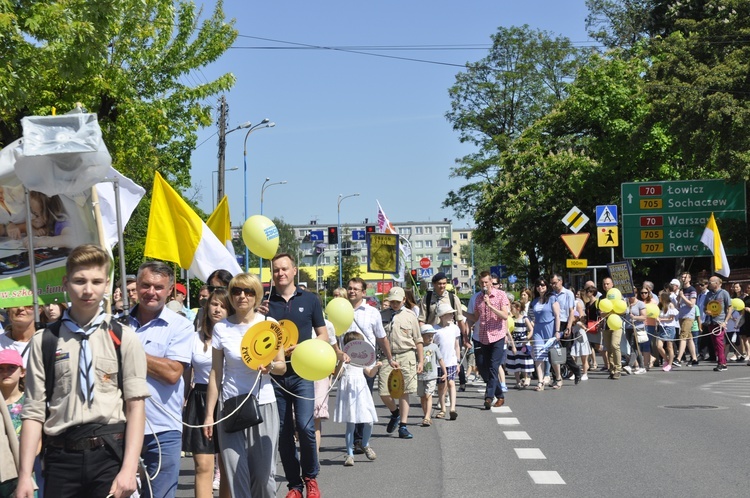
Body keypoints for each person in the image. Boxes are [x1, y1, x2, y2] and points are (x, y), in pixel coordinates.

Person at [17, 244, 149, 498]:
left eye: (96, 281)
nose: (88, 290)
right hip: (61, 456)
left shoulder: (123, 337)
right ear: (66, 283)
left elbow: (135, 406)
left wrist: (129, 468)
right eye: (79, 281)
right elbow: (33, 412)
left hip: (110, 452)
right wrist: (25, 475)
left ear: (107, 285)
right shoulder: (45, 340)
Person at [204, 273, 285, 498]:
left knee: (263, 478)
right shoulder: (221, 329)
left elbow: (282, 366)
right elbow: (215, 373)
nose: (242, 296)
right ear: (230, 295)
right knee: (236, 475)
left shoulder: (269, 325)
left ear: (257, 296)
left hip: (263, 404)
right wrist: (209, 415)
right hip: (230, 406)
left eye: (248, 292)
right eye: (237, 291)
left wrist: (270, 366)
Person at [262, 254, 332, 498]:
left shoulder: (310, 299)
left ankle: (310, 477)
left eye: (284, 269)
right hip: (275, 375)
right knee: (282, 431)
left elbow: (323, 336)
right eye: (276, 270)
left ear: (294, 271)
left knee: (305, 427)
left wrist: (302, 347)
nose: (280, 273)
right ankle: (294, 486)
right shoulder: (265, 302)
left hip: (302, 373)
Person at [127, 261, 194, 498]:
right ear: (136, 286)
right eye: (146, 285)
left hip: (163, 430)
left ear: (169, 290)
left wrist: (127, 350)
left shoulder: (181, 326)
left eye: (158, 287)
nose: (151, 292)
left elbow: (172, 373)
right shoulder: (118, 324)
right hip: (120, 427)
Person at [183, 288, 230, 498]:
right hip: (199, 400)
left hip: (229, 400)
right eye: (214, 304)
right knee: (203, 465)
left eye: (222, 305)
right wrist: (182, 402)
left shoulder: (234, 336)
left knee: (228, 466)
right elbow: (186, 374)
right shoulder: (193, 338)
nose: (217, 309)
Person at [344, 277, 397, 455]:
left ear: (363, 292)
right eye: (350, 288)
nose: (352, 291)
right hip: (348, 365)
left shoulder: (372, 312)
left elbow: (381, 337)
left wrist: (389, 358)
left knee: (363, 398)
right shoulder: (340, 310)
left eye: (356, 289)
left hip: (367, 363)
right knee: (351, 400)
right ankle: (355, 438)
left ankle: (359, 439)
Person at [378, 286, 423, 439]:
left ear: (404, 300)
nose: (394, 304)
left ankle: (403, 426)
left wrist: (420, 361)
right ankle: (395, 412)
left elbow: (418, 340)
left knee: (404, 392)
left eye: (398, 301)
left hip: (406, 355)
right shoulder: (382, 315)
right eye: (392, 301)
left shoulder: (410, 316)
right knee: (383, 391)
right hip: (387, 357)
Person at [333, 332, 380, 467]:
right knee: (351, 424)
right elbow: (337, 374)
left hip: (361, 392)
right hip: (349, 394)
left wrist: (376, 367)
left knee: (369, 421)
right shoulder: (345, 361)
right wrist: (341, 361)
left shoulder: (361, 361)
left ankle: (365, 444)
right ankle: (350, 454)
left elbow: (370, 373)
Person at [465, 271, 510, 408]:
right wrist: (460, 312)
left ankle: (488, 397)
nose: (484, 285)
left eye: (486, 282)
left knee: (493, 367)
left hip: (497, 335)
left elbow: (504, 315)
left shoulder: (501, 295)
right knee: (482, 367)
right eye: (481, 283)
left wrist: (490, 305)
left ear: (491, 282)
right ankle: (500, 395)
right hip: (483, 337)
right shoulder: (478, 298)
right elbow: (475, 318)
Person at [529, 277, 561, 391]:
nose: (540, 287)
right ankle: (540, 381)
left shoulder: (552, 298)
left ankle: (558, 377)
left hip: (550, 328)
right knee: (538, 355)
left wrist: (557, 331)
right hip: (538, 329)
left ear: (546, 286)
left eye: (543, 285)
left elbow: (557, 316)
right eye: (538, 285)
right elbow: (531, 316)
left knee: (553, 355)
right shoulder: (534, 301)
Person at [1, 349, 25, 497]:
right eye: (1, 368)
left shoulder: (29, 402)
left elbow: (38, 443)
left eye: (11, 367)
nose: (6, 372)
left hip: (23, 470)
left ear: (22, 372)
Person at [550, 273, 582, 384]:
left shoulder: (568, 293)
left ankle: (576, 370)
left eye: (555, 282)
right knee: (553, 351)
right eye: (552, 283)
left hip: (565, 323)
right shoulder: (552, 295)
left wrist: (568, 327)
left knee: (565, 352)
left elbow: (571, 311)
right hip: (554, 324)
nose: (553, 285)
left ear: (560, 281)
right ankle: (556, 377)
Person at [433, 308, 461, 419]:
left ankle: (452, 408)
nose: (452, 316)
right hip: (439, 362)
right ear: (442, 316)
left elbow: (457, 345)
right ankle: (443, 408)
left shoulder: (454, 328)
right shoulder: (435, 330)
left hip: (452, 361)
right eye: (449, 314)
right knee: (441, 386)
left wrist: (458, 361)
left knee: (451, 383)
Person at [417, 325, 446, 426]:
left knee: (428, 395)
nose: (430, 338)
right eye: (428, 335)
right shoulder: (418, 347)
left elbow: (440, 359)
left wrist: (445, 372)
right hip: (420, 376)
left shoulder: (434, 347)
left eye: (432, 336)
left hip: (432, 376)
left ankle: (427, 417)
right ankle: (426, 415)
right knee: (422, 396)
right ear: (422, 336)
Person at [703, 276, 732, 371]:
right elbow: (705, 307)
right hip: (710, 321)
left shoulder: (724, 293)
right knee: (715, 343)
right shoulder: (708, 294)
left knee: (719, 342)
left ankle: (721, 363)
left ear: (717, 283)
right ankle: (723, 363)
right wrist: (706, 311)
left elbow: (730, 308)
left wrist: (725, 321)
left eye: (710, 282)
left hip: (720, 322)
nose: (709, 284)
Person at [505, 301, 534, 389]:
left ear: (518, 309)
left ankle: (526, 378)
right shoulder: (511, 319)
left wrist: (527, 338)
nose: (511, 310)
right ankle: (518, 381)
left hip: (523, 343)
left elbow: (531, 329)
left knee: (524, 361)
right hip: (513, 342)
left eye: (512, 308)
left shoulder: (524, 318)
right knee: (515, 362)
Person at [674, 272, 698, 366]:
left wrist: (683, 296)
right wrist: (679, 296)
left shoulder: (692, 290)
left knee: (683, 335)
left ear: (689, 278)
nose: (683, 279)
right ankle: (694, 358)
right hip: (682, 315)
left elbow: (692, 304)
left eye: (685, 277)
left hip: (689, 315)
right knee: (689, 337)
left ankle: (679, 358)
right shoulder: (682, 289)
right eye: (682, 277)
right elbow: (678, 301)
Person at [656, 290, 678, 372]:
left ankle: (670, 364)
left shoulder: (670, 305)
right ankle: (667, 360)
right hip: (662, 327)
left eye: (660, 296)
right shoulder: (660, 306)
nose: (658, 297)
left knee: (669, 346)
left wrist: (661, 319)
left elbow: (671, 318)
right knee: (659, 346)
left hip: (669, 328)